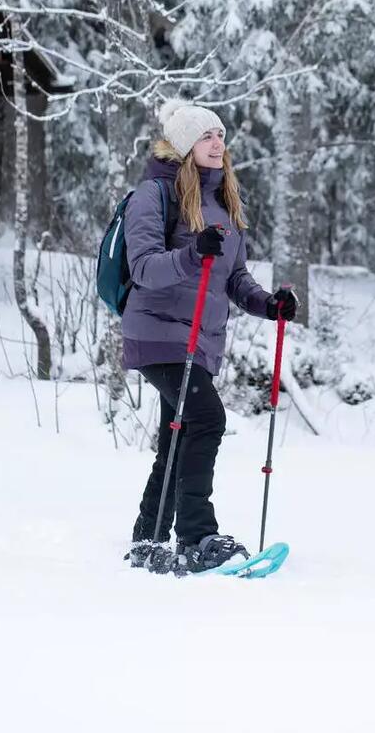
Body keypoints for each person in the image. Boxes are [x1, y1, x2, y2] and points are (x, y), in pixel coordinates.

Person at [121, 100, 298, 574]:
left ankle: (148, 538)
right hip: (156, 334)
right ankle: (196, 537)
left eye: (220, 134)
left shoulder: (225, 204)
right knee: (206, 419)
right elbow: (142, 268)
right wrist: (188, 254)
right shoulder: (153, 195)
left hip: (198, 342)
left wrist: (268, 304)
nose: (218, 143)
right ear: (183, 146)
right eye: (206, 136)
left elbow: (234, 278)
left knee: (176, 439)